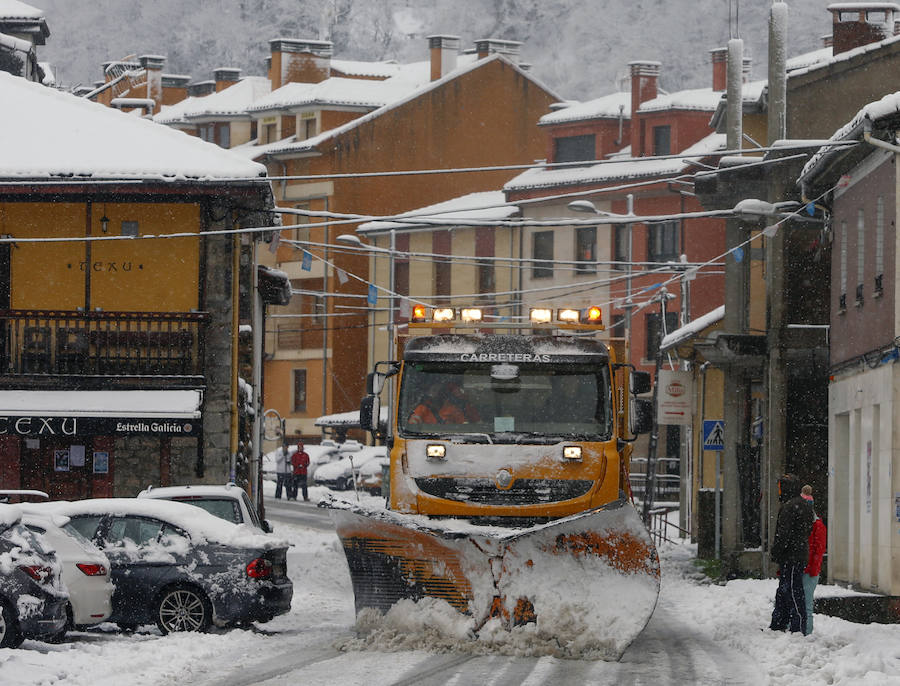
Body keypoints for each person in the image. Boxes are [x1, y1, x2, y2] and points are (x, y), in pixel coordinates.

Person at [769, 473, 815, 633]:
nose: (779, 491)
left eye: (781, 487)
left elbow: (784, 534)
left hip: (792, 556)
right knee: (785, 588)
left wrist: (777, 551)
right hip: (797, 554)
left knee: (792, 589)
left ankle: (797, 626)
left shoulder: (790, 507)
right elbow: (807, 530)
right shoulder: (803, 506)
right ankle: (779, 624)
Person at [801, 485, 827, 636]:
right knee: (804, 603)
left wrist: (812, 569)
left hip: (809, 570)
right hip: (806, 568)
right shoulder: (815, 525)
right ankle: (803, 631)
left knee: (806, 604)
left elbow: (818, 550)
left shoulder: (817, 526)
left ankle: (806, 633)